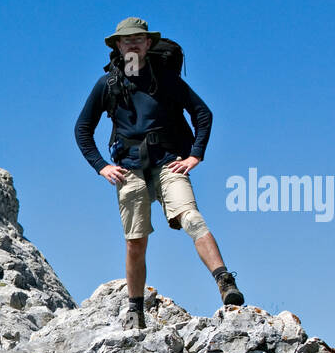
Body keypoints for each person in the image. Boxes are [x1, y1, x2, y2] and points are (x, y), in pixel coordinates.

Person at [75, 17, 244, 330]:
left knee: (192, 218)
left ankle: (225, 282)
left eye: (139, 39)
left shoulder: (165, 79)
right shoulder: (107, 85)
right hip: (128, 169)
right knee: (135, 241)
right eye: (127, 40)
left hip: (168, 162)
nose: (134, 44)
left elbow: (202, 114)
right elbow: (82, 129)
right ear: (117, 46)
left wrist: (195, 155)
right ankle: (135, 309)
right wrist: (102, 166)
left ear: (148, 43)